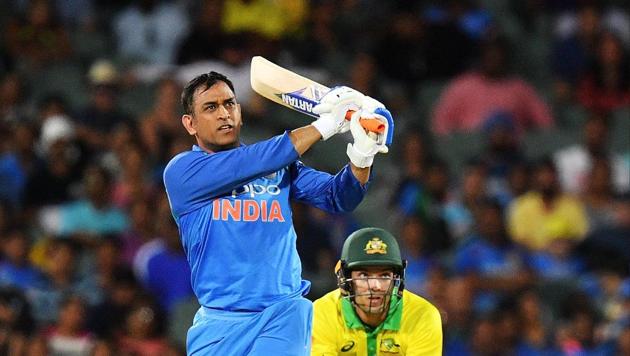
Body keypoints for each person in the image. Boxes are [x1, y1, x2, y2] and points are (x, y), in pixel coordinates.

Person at [163, 71, 393, 355]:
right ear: (190, 123)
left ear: (240, 112)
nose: (224, 113)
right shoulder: (182, 172)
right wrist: (327, 124)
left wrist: (362, 155)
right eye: (211, 107)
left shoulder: (277, 165)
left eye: (230, 104)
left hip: (283, 314)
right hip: (219, 323)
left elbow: (338, 198)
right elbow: (250, 162)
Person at [312, 227, 442, 355]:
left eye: (385, 275)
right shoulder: (322, 312)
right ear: (346, 279)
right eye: (364, 275)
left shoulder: (422, 315)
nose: (376, 286)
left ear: (396, 278)